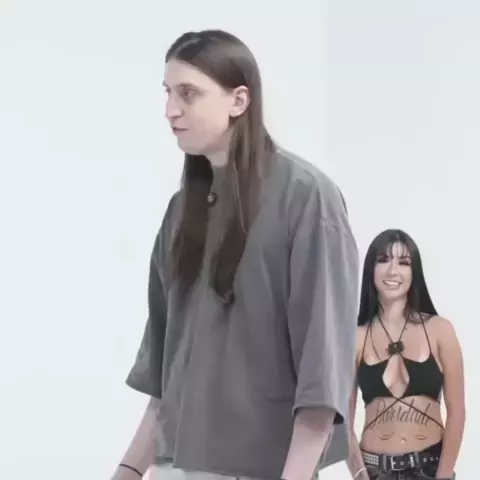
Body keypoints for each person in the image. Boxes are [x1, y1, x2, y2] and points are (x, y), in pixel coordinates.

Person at [111, 29, 359, 480]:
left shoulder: (306, 197)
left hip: (262, 467)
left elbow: (322, 378)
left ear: (239, 100)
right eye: (168, 93)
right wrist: (127, 471)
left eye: (188, 94)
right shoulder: (180, 211)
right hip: (176, 465)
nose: (171, 110)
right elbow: (167, 372)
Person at [346, 229, 465, 480]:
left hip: (429, 467)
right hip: (374, 470)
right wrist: (359, 473)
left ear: (415, 271)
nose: (393, 271)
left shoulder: (440, 330)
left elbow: (457, 412)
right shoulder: (356, 338)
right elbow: (343, 421)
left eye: (403, 262)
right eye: (383, 260)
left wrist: (444, 474)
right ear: (371, 269)